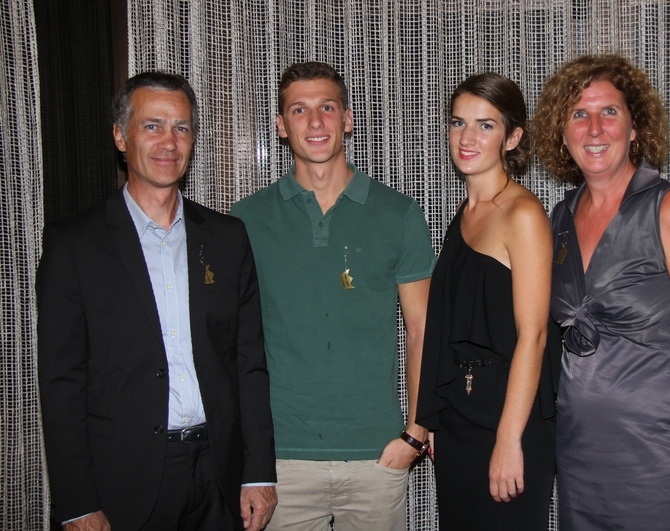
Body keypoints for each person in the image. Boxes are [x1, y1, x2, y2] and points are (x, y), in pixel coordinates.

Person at [37, 72, 277, 531]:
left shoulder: (227, 238)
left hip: (221, 475)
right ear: (119, 136)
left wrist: (259, 472)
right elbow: (61, 382)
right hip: (124, 481)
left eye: (181, 127)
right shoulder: (75, 245)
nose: (169, 142)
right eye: (152, 126)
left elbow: (249, 363)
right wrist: (77, 502)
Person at [531, 54, 670, 530]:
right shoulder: (560, 219)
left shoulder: (669, 209)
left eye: (609, 112)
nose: (594, 128)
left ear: (635, 128)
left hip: (659, 457)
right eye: (579, 114)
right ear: (562, 134)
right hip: (580, 453)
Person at [230, 61, 435, 530]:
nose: (315, 121)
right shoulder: (245, 220)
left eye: (327, 107)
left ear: (347, 119)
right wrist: (250, 455)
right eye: (299, 110)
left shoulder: (399, 213)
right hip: (280, 462)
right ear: (281, 126)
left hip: (376, 457)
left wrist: (415, 433)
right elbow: (233, 343)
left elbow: (422, 329)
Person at [415, 73, 560, 530]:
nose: (467, 138)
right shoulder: (466, 213)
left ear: (512, 137)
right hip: (460, 419)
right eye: (458, 122)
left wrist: (509, 440)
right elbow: (446, 329)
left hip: (509, 420)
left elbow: (534, 337)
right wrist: (436, 417)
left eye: (485, 125)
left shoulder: (523, 213)